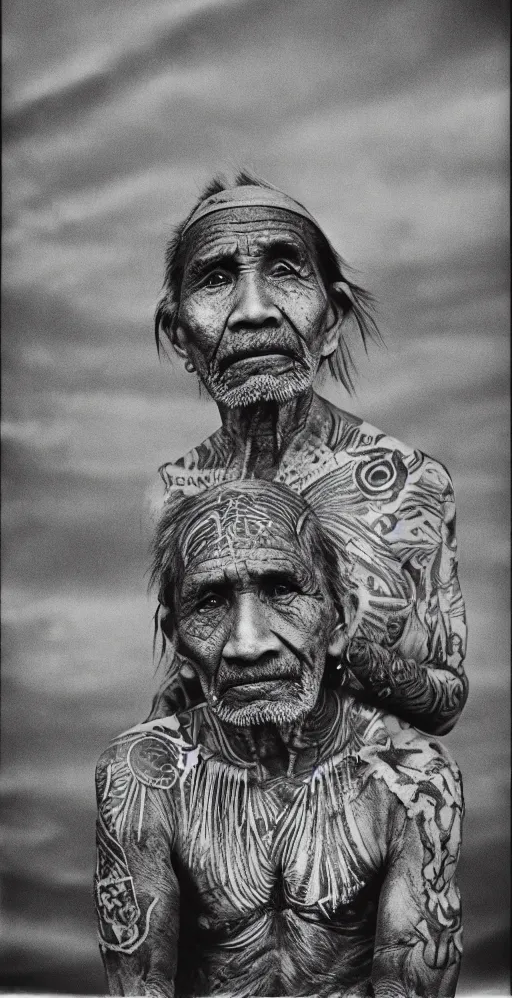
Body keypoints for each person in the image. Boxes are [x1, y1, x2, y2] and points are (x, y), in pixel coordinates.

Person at [95, 481, 463, 997]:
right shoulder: (141, 776)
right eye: (210, 601)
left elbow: (409, 984)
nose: (248, 643)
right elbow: (140, 985)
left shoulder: (412, 783)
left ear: (341, 619)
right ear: (175, 635)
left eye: (282, 590)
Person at [148, 172, 467, 736]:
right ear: (180, 337)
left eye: (285, 270)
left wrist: (335, 647)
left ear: (333, 321)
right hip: (228, 814)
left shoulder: (410, 482)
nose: (253, 310)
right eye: (217, 278)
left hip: (371, 808)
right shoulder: (174, 490)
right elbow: (195, 678)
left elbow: (445, 701)